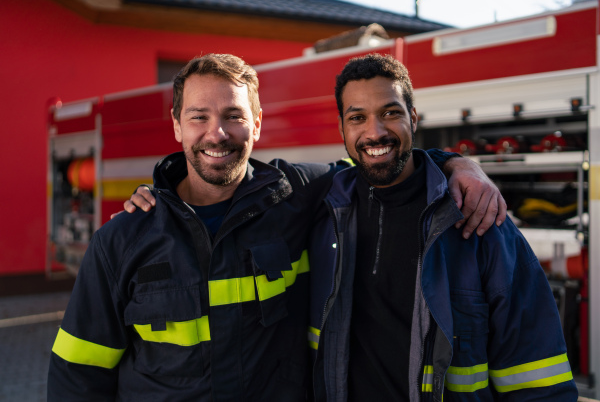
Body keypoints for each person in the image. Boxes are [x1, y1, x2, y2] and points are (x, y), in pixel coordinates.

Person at [52, 53, 503, 401]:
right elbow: (78, 375)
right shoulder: (123, 239)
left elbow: (379, 156)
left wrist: (456, 165)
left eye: (233, 115)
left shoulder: (296, 194)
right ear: (176, 126)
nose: (217, 134)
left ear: (257, 123)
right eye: (198, 117)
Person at [306, 53, 578, 401]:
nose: (375, 132)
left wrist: (455, 164)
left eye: (391, 113)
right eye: (357, 117)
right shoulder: (321, 214)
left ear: (414, 118)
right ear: (342, 128)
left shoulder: (479, 221)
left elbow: (539, 377)